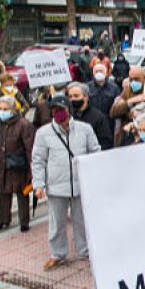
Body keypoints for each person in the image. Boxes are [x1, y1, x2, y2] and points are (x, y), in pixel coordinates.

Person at [32, 95, 100, 270]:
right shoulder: (43, 133)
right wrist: (38, 184)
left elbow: (95, 153)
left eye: (61, 110)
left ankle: (83, 250)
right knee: (56, 223)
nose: (58, 113)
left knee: (81, 220)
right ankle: (58, 253)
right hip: (56, 184)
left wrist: (95, 177)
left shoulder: (84, 129)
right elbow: (38, 160)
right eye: (54, 111)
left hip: (80, 183)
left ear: (69, 110)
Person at [0, 94, 36, 233]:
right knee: (2, 193)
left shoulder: (23, 124)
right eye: (0, 108)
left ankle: (24, 221)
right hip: (0, 165)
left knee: (22, 193)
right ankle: (3, 219)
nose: (2, 112)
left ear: (13, 109)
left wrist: (31, 168)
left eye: (5, 109)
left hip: (18, 165)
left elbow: (30, 148)